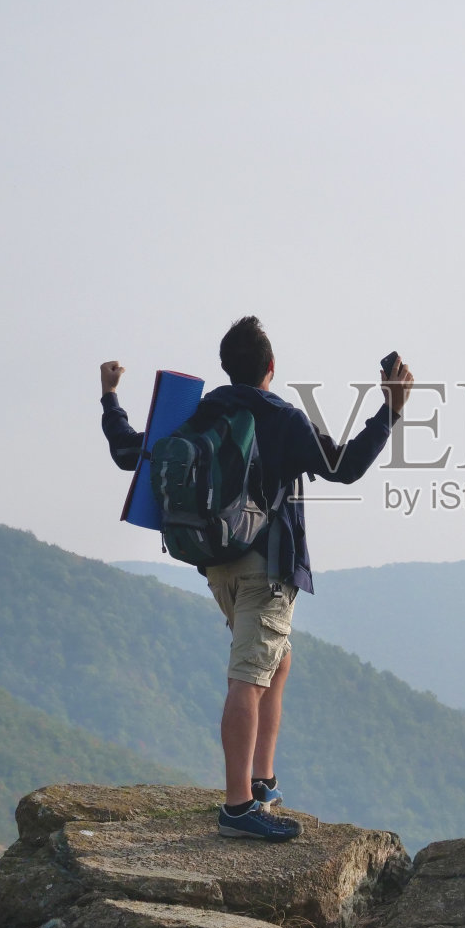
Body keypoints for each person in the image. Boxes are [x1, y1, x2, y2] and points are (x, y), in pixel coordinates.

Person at [99, 316, 411, 842]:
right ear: (271, 366)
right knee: (248, 677)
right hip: (266, 566)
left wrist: (110, 397)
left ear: (226, 366)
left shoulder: (200, 412)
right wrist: (391, 410)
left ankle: (262, 781)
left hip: (215, 562)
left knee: (277, 659)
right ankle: (238, 807)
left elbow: (128, 452)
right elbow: (345, 466)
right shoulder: (281, 417)